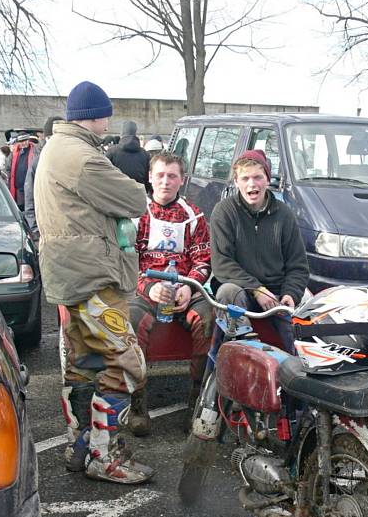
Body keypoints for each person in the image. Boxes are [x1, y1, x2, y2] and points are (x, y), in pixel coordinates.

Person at [34, 80, 153, 485]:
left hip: (72, 277)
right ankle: (106, 457)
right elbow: (137, 199)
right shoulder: (82, 158)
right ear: (95, 116)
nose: (109, 121)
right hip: (95, 277)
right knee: (124, 363)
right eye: (107, 113)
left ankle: (81, 445)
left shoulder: (55, 148)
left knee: (84, 364)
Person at [128, 152, 213, 436]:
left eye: (172, 176)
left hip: (186, 287)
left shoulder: (194, 214)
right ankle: (137, 402)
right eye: (160, 175)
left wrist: (188, 287)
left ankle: (197, 401)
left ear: (182, 180)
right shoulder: (135, 213)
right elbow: (128, 261)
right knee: (130, 322)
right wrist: (151, 287)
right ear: (150, 177)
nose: (166, 181)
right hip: (146, 289)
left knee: (208, 319)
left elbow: (203, 260)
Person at [210, 149, 309, 354]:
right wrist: (257, 289)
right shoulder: (224, 212)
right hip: (241, 290)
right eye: (245, 178)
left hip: (277, 294)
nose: (252, 184)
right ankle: (241, 355)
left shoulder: (284, 214)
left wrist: (291, 293)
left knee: (304, 337)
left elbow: (298, 265)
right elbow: (222, 264)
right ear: (236, 182)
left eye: (257, 177)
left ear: (267, 179)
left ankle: (302, 375)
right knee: (227, 293)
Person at [24, 115, 63, 240]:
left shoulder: (70, 158)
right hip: (46, 230)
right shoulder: (38, 161)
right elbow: (30, 197)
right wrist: (36, 230)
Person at [107, 120, 152, 190]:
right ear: (135, 132)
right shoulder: (145, 154)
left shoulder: (111, 152)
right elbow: (148, 179)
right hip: (138, 194)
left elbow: (104, 176)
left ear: (121, 133)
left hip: (116, 194)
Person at [5, 134, 37, 209]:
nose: (23, 143)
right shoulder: (14, 152)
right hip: (18, 188)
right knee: (20, 207)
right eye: (21, 141)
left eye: (25, 140)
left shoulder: (35, 151)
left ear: (28, 140)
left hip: (31, 186)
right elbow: (8, 167)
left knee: (30, 207)